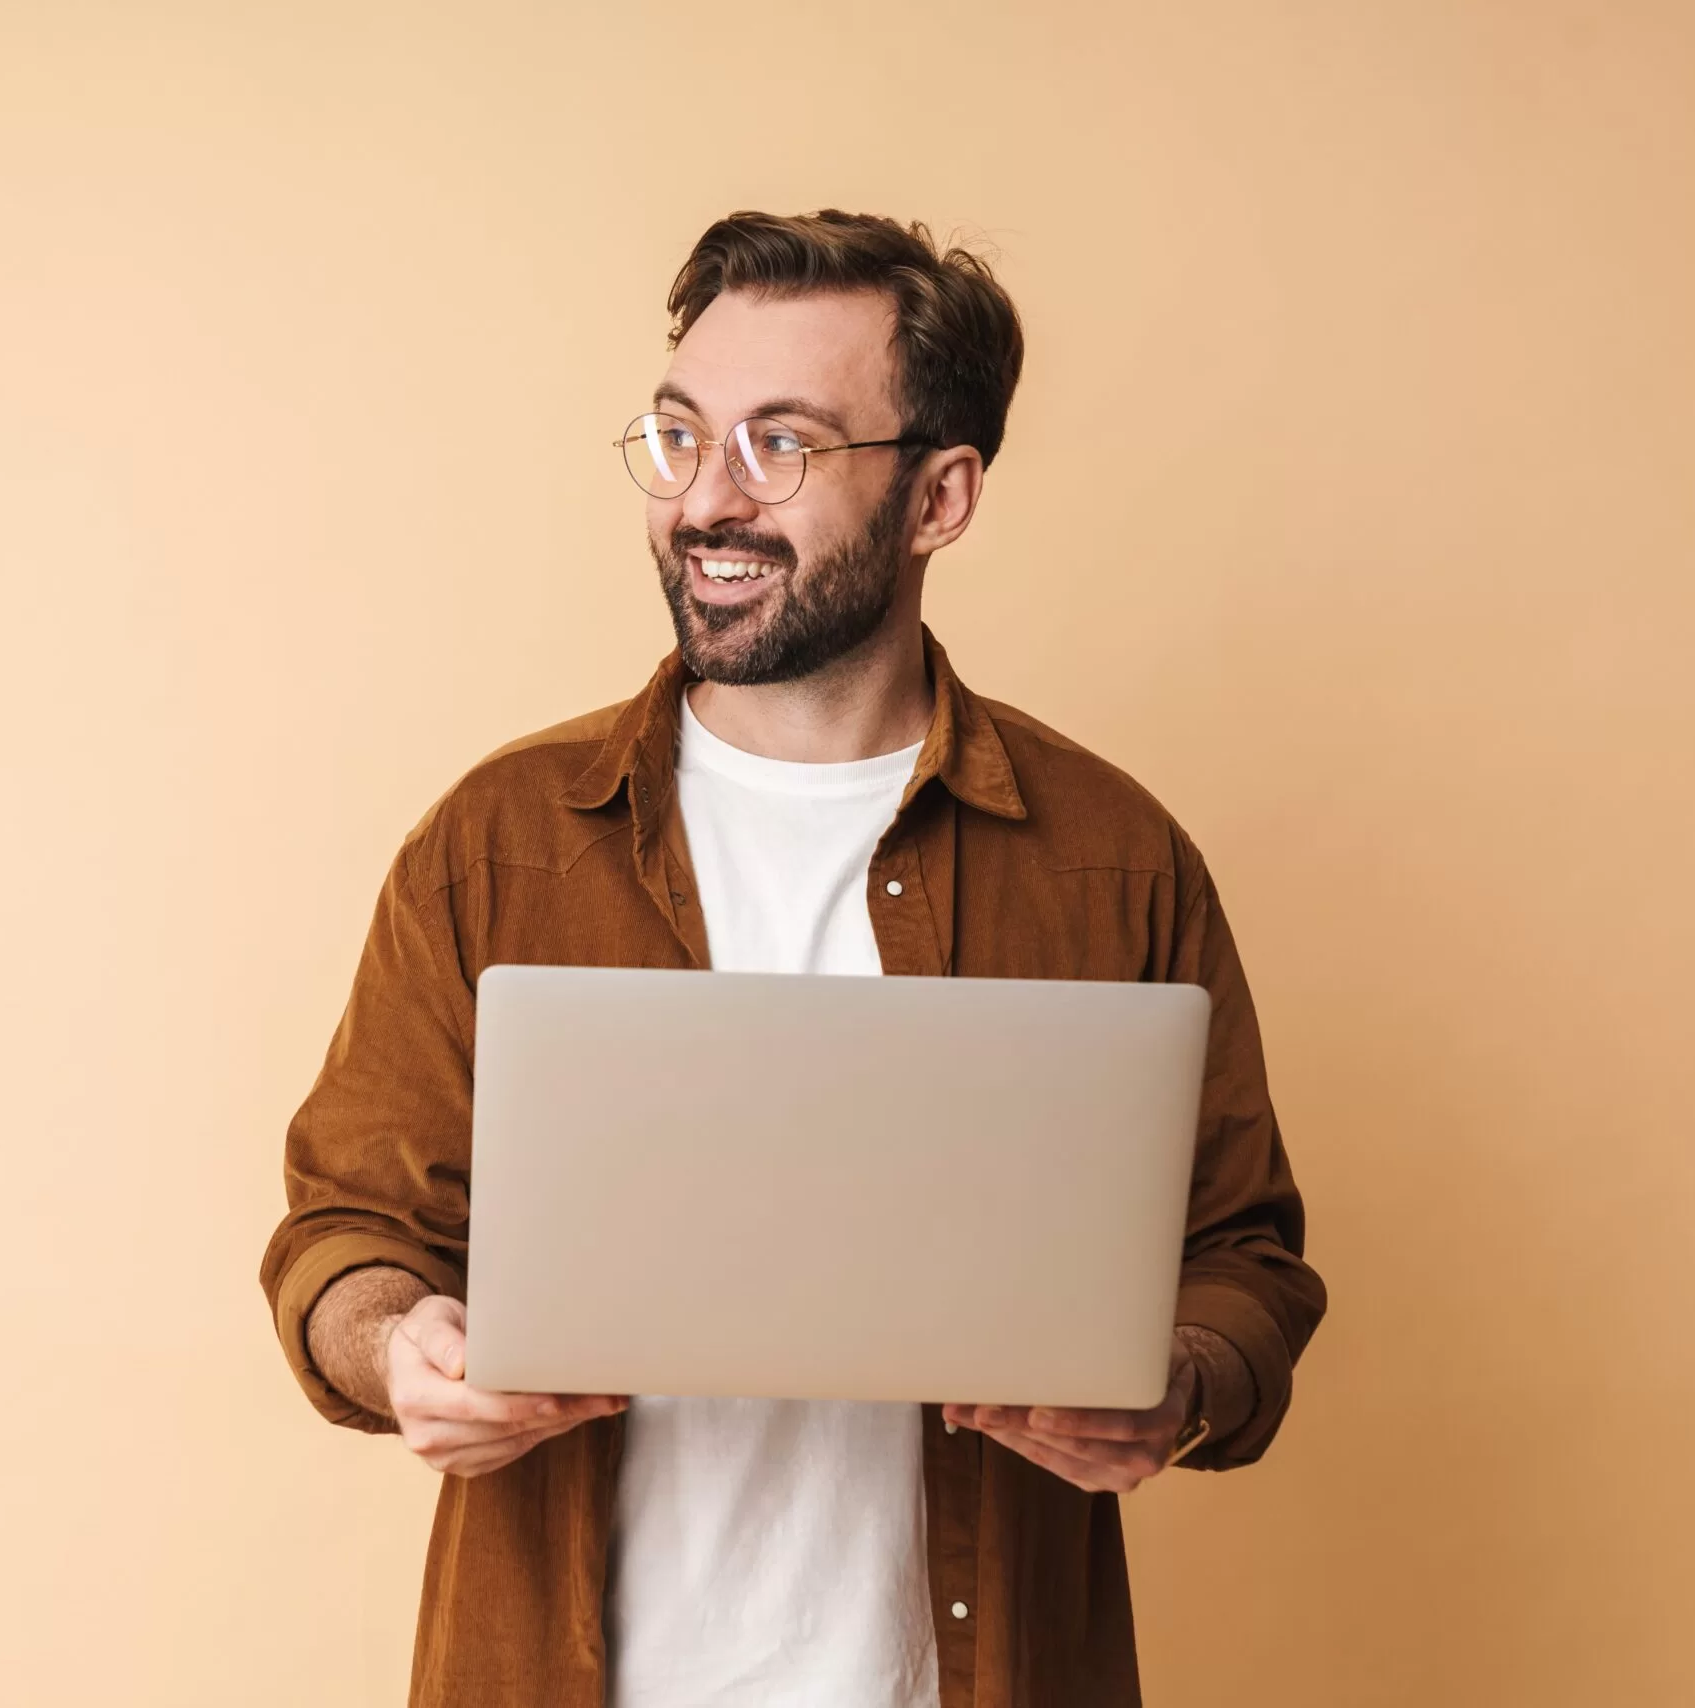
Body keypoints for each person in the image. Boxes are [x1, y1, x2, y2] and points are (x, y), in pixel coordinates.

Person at [258, 209, 1327, 1708]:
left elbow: (1247, 1264)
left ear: (941, 494)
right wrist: (397, 1349)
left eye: (783, 447)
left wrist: (1179, 1388)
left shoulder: (1114, 859)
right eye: (681, 435)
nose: (707, 499)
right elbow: (343, 1233)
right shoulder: (496, 846)